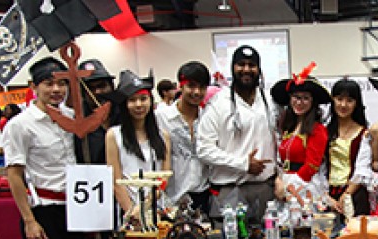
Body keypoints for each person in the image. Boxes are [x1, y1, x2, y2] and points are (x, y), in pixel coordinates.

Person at [2, 56, 85, 239]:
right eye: (48, 84)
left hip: (75, 206)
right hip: (44, 209)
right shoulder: (21, 125)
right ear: (34, 87)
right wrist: (29, 221)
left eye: (62, 84)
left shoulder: (72, 117)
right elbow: (15, 175)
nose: (57, 90)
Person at [196, 45, 277, 224]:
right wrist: (243, 164)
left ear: (259, 69)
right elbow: (203, 149)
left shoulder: (269, 101)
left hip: (265, 191)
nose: (246, 69)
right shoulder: (218, 104)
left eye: (251, 65)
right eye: (241, 64)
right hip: (230, 191)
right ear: (233, 68)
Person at [106, 70, 172, 214]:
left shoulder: (163, 136)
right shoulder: (113, 135)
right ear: (125, 104)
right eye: (132, 100)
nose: (138, 104)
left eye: (143, 99)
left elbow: (164, 176)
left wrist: (146, 205)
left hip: (156, 207)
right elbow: (116, 181)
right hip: (127, 209)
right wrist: (132, 211)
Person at [271, 64, 331, 201]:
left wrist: (289, 187)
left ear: (312, 102)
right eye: (296, 97)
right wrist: (279, 180)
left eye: (305, 98)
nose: (299, 102)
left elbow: (311, 166)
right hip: (285, 184)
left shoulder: (318, 130)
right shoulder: (288, 127)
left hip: (305, 186)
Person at [156, 61, 211, 212]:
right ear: (180, 86)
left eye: (202, 87)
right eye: (191, 86)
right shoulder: (162, 117)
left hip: (203, 194)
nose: (197, 92)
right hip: (172, 196)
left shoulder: (208, 118)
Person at [325, 78, 371, 216]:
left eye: (349, 100)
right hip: (328, 195)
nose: (343, 105)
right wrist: (327, 198)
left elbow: (363, 169)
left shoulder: (364, 134)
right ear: (333, 100)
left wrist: (346, 194)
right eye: (339, 99)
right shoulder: (324, 132)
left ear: (357, 103)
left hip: (355, 195)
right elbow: (318, 168)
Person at [75, 59, 116, 165]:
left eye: (102, 86)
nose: (97, 92)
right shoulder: (79, 121)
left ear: (111, 86)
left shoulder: (125, 114)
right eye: (91, 88)